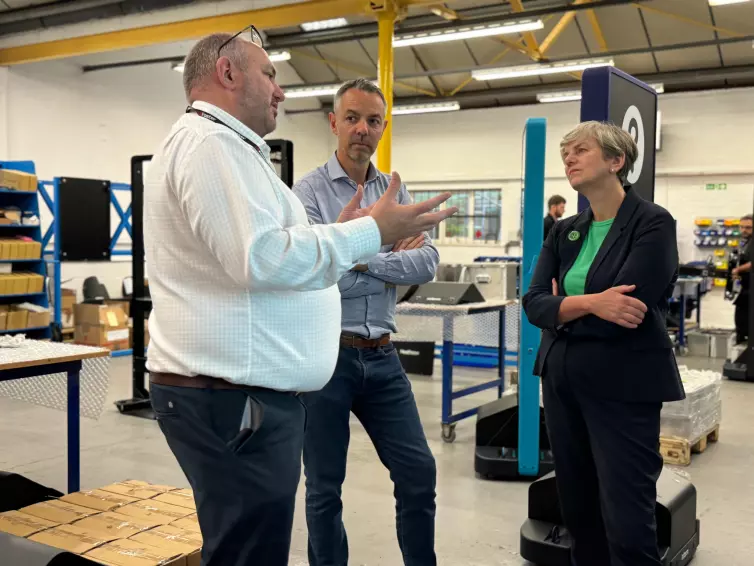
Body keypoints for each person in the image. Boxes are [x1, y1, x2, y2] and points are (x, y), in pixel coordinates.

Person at [143, 30, 456, 566]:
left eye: (374, 119)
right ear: (227, 73)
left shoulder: (234, 151)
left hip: (301, 378)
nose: (281, 91)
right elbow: (266, 259)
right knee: (266, 537)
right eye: (270, 74)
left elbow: (416, 262)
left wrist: (345, 246)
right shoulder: (210, 146)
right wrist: (366, 238)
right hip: (234, 395)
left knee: (256, 544)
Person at [522, 121, 685, 566]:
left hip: (623, 382)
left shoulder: (652, 223)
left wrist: (566, 306)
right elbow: (534, 304)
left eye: (580, 150)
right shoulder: (564, 230)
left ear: (616, 161)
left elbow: (630, 306)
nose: (569, 159)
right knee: (577, 507)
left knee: (627, 512)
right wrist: (594, 302)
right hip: (561, 380)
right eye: (565, 153)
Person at [292, 78, 438, 566]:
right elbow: (315, 274)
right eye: (352, 117)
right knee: (324, 489)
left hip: (383, 358)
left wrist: (356, 256)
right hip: (327, 359)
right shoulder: (307, 193)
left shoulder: (392, 189)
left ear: (383, 127)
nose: (362, 129)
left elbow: (427, 263)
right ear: (333, 122)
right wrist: (382, 250)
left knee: (418, 473)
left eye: (373, 120)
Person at [732, 214, 753, 343]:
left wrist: (738, 269)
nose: (744, 230)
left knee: (744, 319)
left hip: (751, 288)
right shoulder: (745, 243)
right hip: (746, 286)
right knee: (741, 320)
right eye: (742, 227)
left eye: (748, 228)